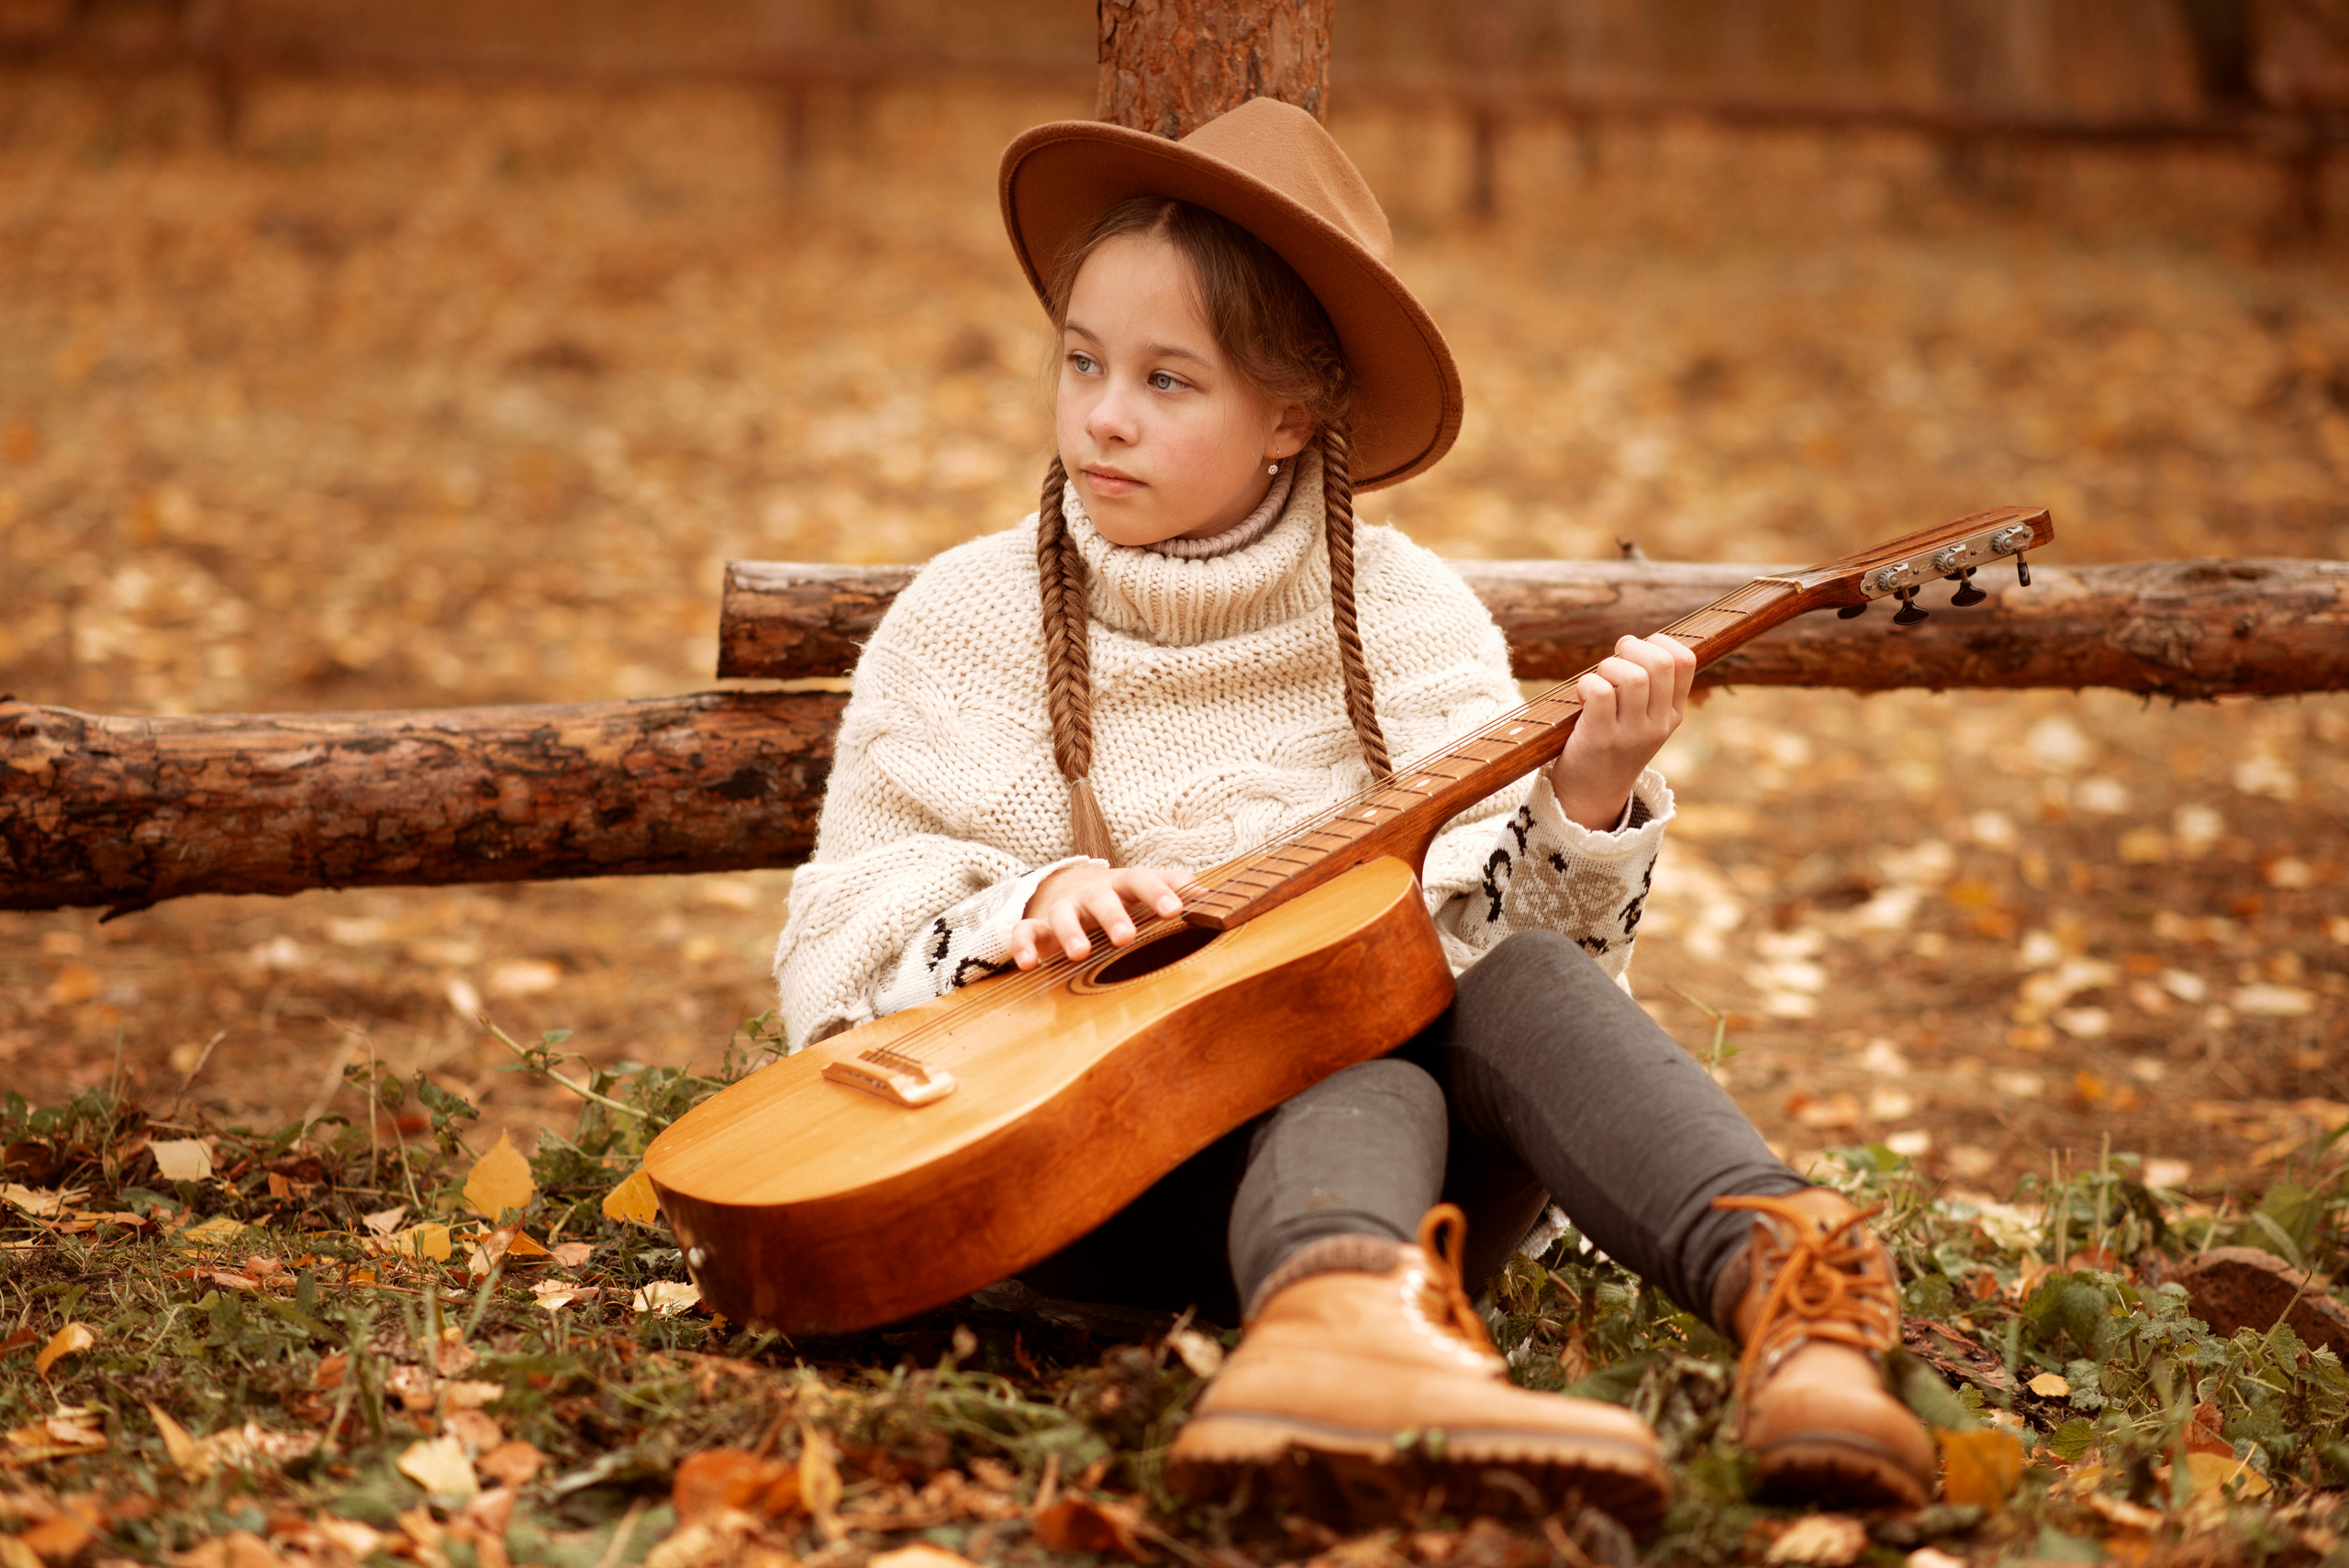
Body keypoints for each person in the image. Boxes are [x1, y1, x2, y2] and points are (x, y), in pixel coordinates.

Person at [772, 98, 1934, 1526]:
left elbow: (1529, 994)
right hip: (1086, 1191)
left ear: (1290, 417)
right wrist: (1015, 907)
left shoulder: (1409, 621)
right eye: (1082, 361)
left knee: (1445, 1000)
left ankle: (1798, 1308)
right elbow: (839, 930)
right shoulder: (969, 617)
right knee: (1337, 1050)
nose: (1104, 412)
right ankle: (1335, 1346)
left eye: (1169, 380)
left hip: (1417, 1202)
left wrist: (1584, 797)